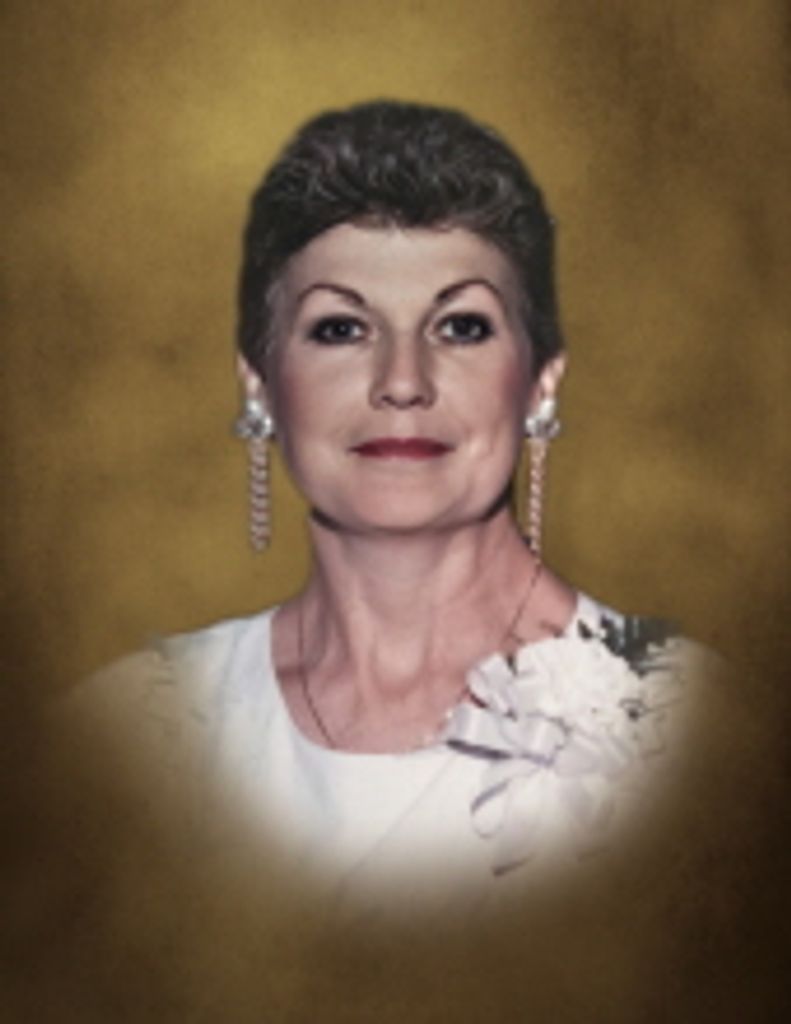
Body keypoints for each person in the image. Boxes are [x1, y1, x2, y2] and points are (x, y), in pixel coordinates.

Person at [68, 100, 707, 919]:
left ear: (539, 384)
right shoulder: (127, 732)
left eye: (460, 326)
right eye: (340, 329)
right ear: (259, 385)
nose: (401, 382)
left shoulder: (693, 734)